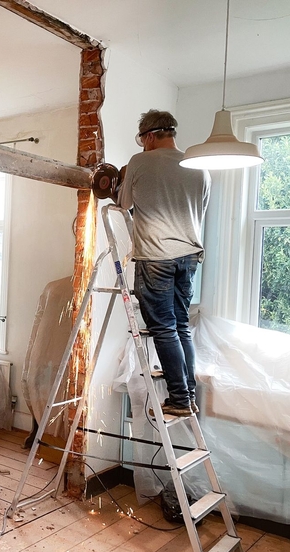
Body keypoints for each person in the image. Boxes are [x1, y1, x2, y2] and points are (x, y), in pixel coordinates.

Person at [117, 109, 211, 417]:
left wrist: (125, 180)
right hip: (189, 258)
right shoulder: (199, 168)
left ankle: (180, 399)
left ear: (149, 136)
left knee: (164, 329)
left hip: (155, 256)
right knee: (181, 326)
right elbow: (199, 209)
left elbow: (123, 204)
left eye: (142, 139)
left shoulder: (140, 161)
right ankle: (188, 396)